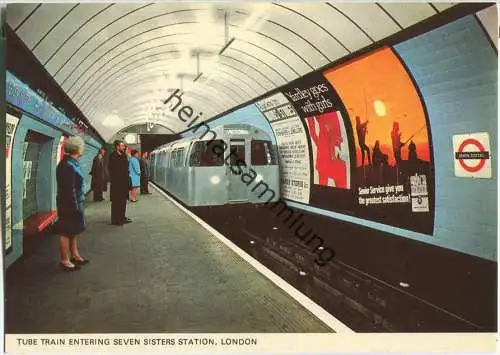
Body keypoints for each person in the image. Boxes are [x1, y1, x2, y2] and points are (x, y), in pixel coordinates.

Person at [55, 136, 89, 271]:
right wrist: (74, 207)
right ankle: (64, 260)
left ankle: (75, 255)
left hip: (75, 202)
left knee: (74, 231)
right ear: (77, 149)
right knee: (66, 231)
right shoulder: (67, 166)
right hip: (68, 203)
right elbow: (68, 189)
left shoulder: (72, 163)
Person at [108, 140, 132, 225]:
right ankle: (116, 220)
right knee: (116, 202)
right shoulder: (113, 156)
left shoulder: (123, 155)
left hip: (123, 183)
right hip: (117, 184)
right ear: (117, 146)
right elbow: (115, 170)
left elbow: (126, 168)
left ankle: (122, 217)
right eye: (122, 146)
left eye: (124, 146)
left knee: (123, 202)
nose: (124, 147)